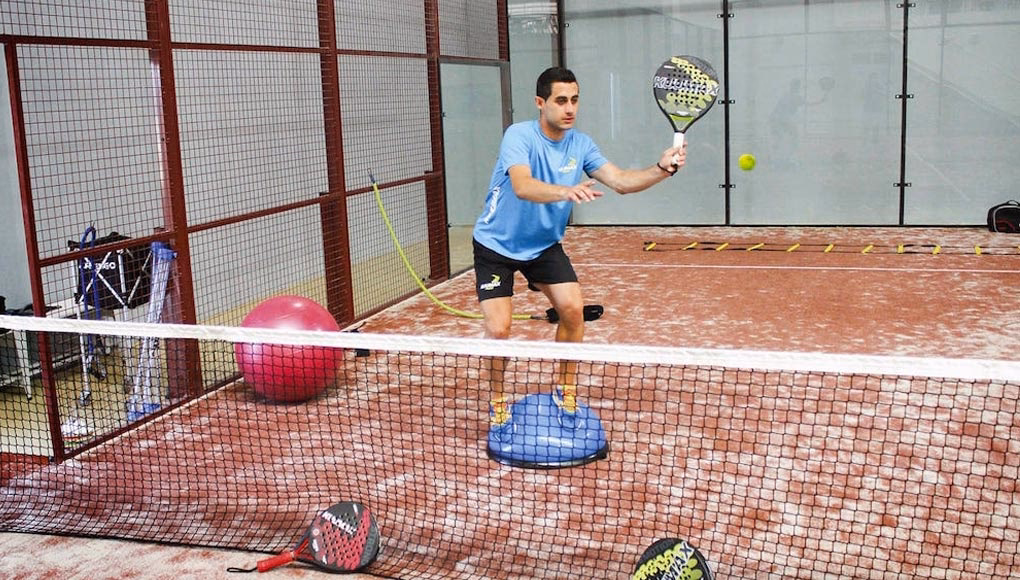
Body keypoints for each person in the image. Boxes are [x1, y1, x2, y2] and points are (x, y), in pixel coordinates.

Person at [472, 66, 686, 429]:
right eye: (560, 100)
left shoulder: (581, 144)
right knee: (499, 331)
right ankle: (496, 399)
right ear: (540, 103)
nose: (569, 108)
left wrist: (661, 169)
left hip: (543, 246)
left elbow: (621, 181)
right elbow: (523, 186)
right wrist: (565, 191)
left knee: (573, 310)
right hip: (496, 245)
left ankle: (565, 389)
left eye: (574, 100)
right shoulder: (518, 136)